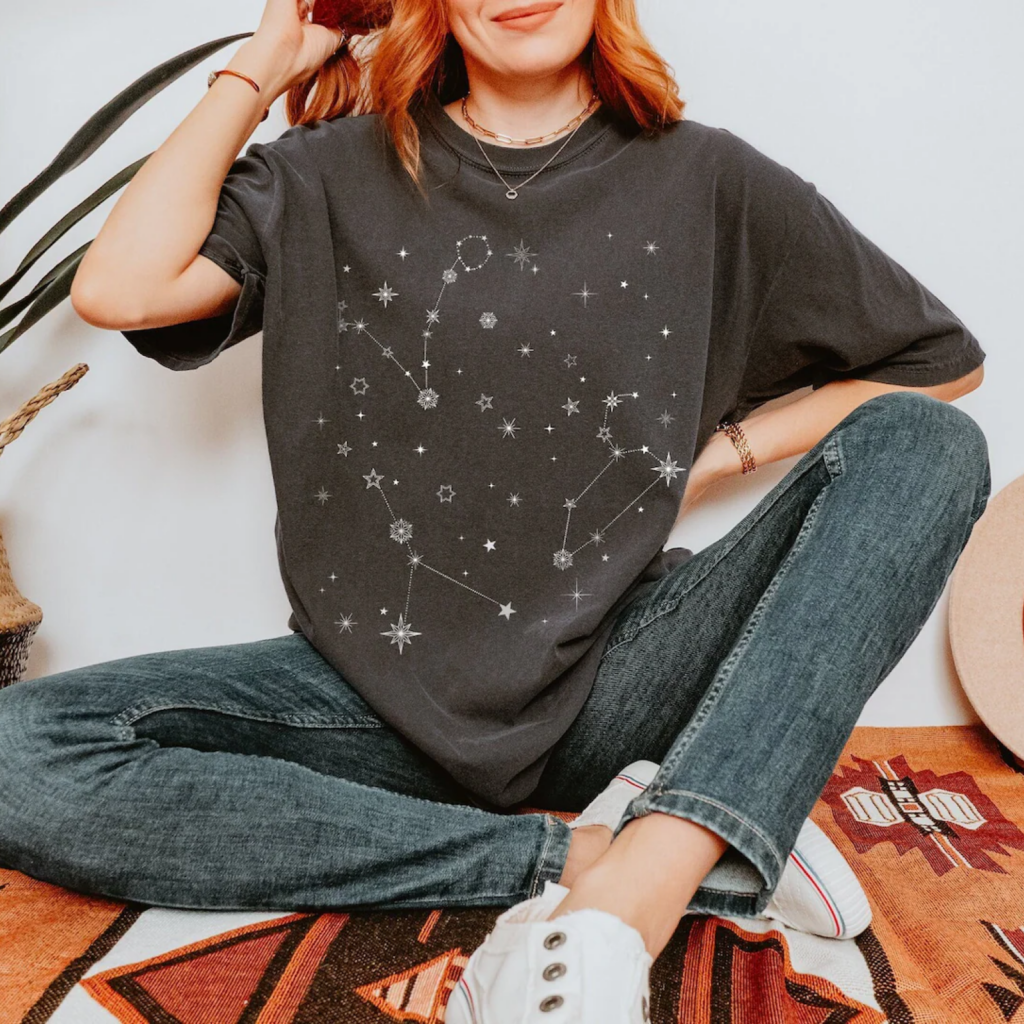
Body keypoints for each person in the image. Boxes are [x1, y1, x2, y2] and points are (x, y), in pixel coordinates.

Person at [2, 0, 989, 1019]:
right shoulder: (323, 173)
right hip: (372, 699)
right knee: (15, 752)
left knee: (929, 445)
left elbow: (939, 367)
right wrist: (266, 59)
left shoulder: (708, 179)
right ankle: (622, 851)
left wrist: (716, 456)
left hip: (628, 672)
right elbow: (121, 287)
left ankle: (636, 899)